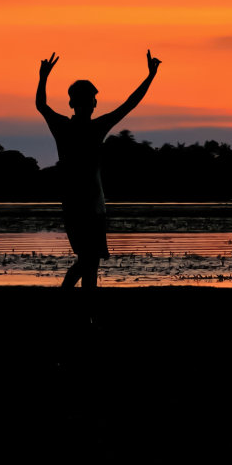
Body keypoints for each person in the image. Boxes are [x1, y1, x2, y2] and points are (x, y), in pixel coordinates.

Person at [35, 49, 160, 291]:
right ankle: (68, 298)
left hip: (85, 204)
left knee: (89, 261)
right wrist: (150, 77)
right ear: (80, 103)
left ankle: (81, 303)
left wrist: (43, 77)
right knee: (88, 260)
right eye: (92, 98)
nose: (94, 102)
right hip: (84, 205)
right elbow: (129, 104)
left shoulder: (68, 126)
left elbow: (41, 105)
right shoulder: (87, 127)